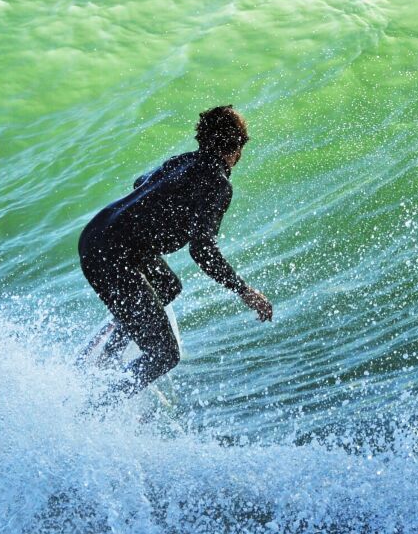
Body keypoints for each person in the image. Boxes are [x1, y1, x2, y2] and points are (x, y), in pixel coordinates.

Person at [78, 105, 273, 394]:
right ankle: (96, 410)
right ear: (236, 149)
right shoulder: (217, 183)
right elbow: (202, 249)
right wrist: (244, 291)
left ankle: (109, 354)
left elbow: (140, 182)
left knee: (167, 286)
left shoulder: (182, 161)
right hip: (115, 253)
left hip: (97, 233)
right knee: (165, 354)